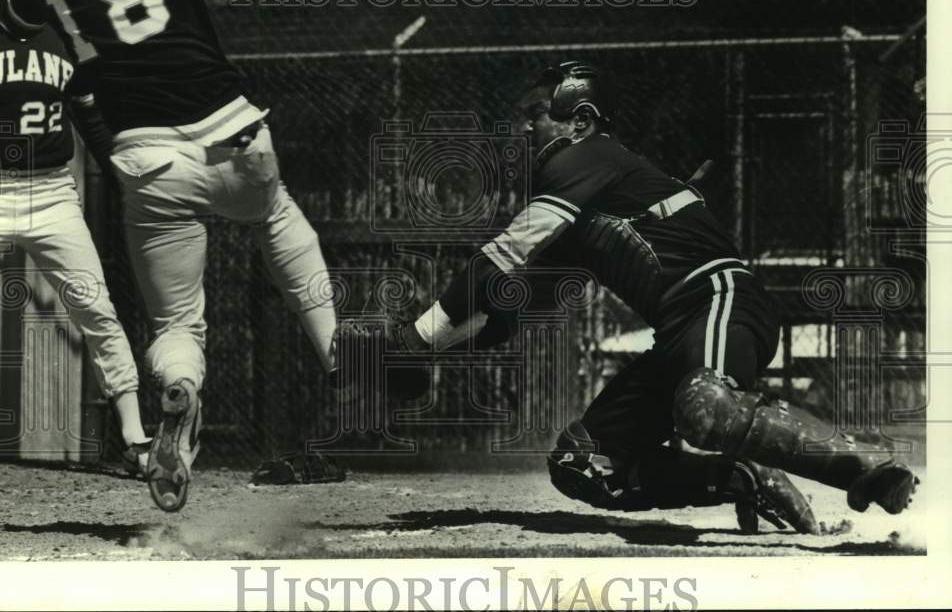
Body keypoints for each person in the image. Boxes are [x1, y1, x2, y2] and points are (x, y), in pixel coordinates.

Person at [346, 60, 920, 533]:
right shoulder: (581, 197)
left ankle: (868, 465)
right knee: (582, 463)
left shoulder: (583, 158)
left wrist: (413, 342)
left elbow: (493, 260)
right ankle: (746, 477)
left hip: (721, 298)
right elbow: (503, 307)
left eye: (532, 116)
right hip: (677, 336)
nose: (518, 129)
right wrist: (431, 351)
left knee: (706, 407)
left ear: (581, 120)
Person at [0, 0, 340, 512]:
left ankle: (177, 396)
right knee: (275, 215)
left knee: (177, 324)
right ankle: (341, 358)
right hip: (232, 132)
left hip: (146, 160)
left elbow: (12, 13)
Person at [0, 0, 150, 474]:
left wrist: (122, 169)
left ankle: (136, 438)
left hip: (52, 192)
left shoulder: (69, 33)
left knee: (95, 306)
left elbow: (89, 112)